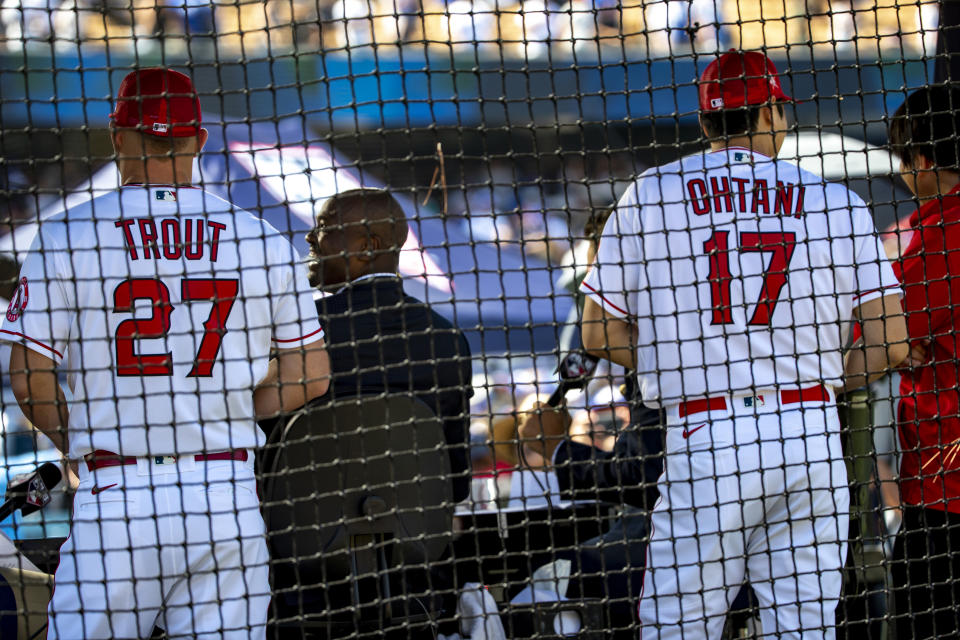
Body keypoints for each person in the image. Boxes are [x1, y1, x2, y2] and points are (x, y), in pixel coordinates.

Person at [579, 50, 908, 637]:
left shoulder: (650, 193)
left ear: (706, 123)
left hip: (706, 434)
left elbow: (598, 332)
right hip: (809, 430)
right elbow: (892, 343)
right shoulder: (838, 202)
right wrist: (827, 376)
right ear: (774, 113)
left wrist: (689, 360)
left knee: (680, 627)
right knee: (804, 627)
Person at [1, 68, 330, 639]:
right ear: (199, 141)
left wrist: (75, 445)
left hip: (120, 495)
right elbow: (311, 375)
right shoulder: (261, 238)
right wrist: (216, 409)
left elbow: (30, 380)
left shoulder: (66, 235)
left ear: (117, 136)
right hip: (225, 496)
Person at [303, 188, 473, 503]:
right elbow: (456, 482)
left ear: (368, 247)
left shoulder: (302, 331)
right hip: (414, 536)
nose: (310, 238)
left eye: (324, 228)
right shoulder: (449, 339)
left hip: (309, 531)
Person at [887, 84, 960, 640]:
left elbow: (882, 336)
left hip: (944, 480)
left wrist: (894, 343)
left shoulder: (939, 234)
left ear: (923, 159)